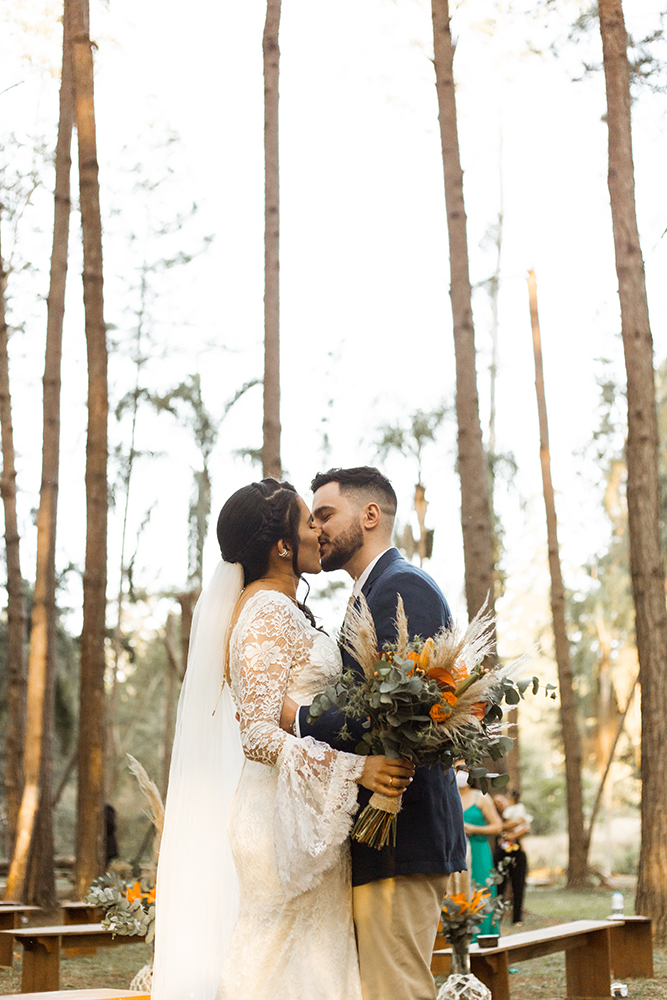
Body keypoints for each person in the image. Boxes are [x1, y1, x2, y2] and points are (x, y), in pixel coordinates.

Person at [151, 478, 414, 1000]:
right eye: (308, 521)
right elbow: (257, 735)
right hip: (279, 825)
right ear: (282, 546)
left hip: (302, 812)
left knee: (299, 967)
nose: (319, 531)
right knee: (279, 969)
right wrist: (355, 770)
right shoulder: (268, 612)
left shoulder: (277, 608)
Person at [280, 466, 467, 1000]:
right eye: (312, 519)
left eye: (324, 515)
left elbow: (393, 715)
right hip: (380, 836)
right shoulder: (371, 593)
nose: (315, 530)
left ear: (370, 515)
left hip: (403, 833)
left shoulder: (402, 587)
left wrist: (295, 717)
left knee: (396, 990)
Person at [455, 771, 503, 939]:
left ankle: (485, 940)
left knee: (482, 894)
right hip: (456, 853)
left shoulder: (481, 797)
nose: (460, 773)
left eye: (465, 769)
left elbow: (497, 827)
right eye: (456, 769)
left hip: (479, 851)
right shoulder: (447, 796)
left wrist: (474, 829)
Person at [493, 790, 532, 926]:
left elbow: (526, 828)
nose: (498, 805)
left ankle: (517, 918)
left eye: (500, 802)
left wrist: (513, 836)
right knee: (499, 886)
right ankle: (497, 916)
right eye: (495, 803)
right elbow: (498, 828)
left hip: (517, 852)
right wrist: (515, 824)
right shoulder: (494, 817)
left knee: (518, 885)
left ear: (506, 801)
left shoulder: (516, 812)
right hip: (501, 854)